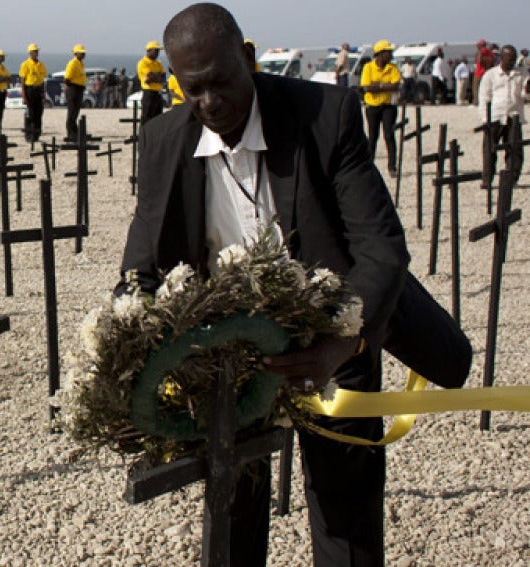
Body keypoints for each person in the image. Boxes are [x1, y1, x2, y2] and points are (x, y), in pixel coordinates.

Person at [119, 5, 455, 565]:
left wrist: (345, 341)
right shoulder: (161, 141)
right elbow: (140, 271)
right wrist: (135, 359)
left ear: (248, 59)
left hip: (334, 337)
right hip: (229, 357)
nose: (209, 104)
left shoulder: (326, 115)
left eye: (221, 83)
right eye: (192, 90)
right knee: (230, 507)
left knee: (343, 506)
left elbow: (380, 247)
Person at [478, 44, 525, 190]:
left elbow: (525, 94)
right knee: (489, 150)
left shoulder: (522, 74)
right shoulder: (491, 75)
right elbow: (484, 98)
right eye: (509, 59)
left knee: (515, 150)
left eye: (513, 59)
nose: (511, 62)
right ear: (502, 58)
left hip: (513, 116)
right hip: (495, 117)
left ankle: (511, 179)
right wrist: (485, 119)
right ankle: (487, 178)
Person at [360, 39, 401, 175]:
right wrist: (385, 87)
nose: (391, 55)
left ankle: (392, 167)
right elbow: (367, 88)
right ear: (380, 53)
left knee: (389, 135)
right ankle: (369, 165)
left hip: (388, 106)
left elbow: (395, 85)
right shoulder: (368, 68)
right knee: (372, 136)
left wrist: (377, 86)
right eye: (388, 52)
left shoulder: (393, 68)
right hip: (372, 106)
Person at [19, 43, 47, 142]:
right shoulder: (25, 64)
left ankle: (37, 133)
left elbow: (42, 80)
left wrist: (43, 94)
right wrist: (24, 96)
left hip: (38, 89)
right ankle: (29, 134)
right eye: (34, 51)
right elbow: (22, 81)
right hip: (29, 89)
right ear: (30, 53)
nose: (36, 53)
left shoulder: (41, 65)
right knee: (30, 113)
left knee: (39, 112)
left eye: (37, 51)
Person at [137, 40, 167, 124]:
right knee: (147, 116)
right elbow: (151, 77)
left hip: (158, 92)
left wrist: (154, 77)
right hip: (148, 92)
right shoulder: (143, 63)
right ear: (149, 51)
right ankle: (144, 135)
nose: (157, 53)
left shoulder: (158, 63)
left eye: (158, 51)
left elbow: (163, 77)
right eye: (155, 51)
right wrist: (157, 77)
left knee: (158, 116)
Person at [64, 44, 88, 141]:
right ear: (75, 53)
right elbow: (67, 79)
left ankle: (75, 133)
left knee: (75, 113)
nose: (83, 55)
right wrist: (72, 88)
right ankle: (71, 134)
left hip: (79, 89)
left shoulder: (81, 64)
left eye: (83, 53)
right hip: (73, 88)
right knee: (72, 112)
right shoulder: (72, 63)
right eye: (81, 53)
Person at [473, 39, 493, 106]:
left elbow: (479, 60)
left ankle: (476, 102)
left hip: (479, 73)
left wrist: (483, 66)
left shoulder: (481, 51)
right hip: (486, 73)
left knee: (476, 88)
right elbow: (492, 61)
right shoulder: (490, 52)